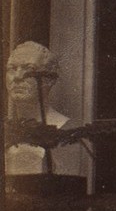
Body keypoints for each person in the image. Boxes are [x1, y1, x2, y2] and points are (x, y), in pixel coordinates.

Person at [5, 40, 82, 176]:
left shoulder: (66, 132)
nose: (17, 77)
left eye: (29, 69)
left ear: (50, 79)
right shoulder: (6, 130)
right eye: (12, 69)